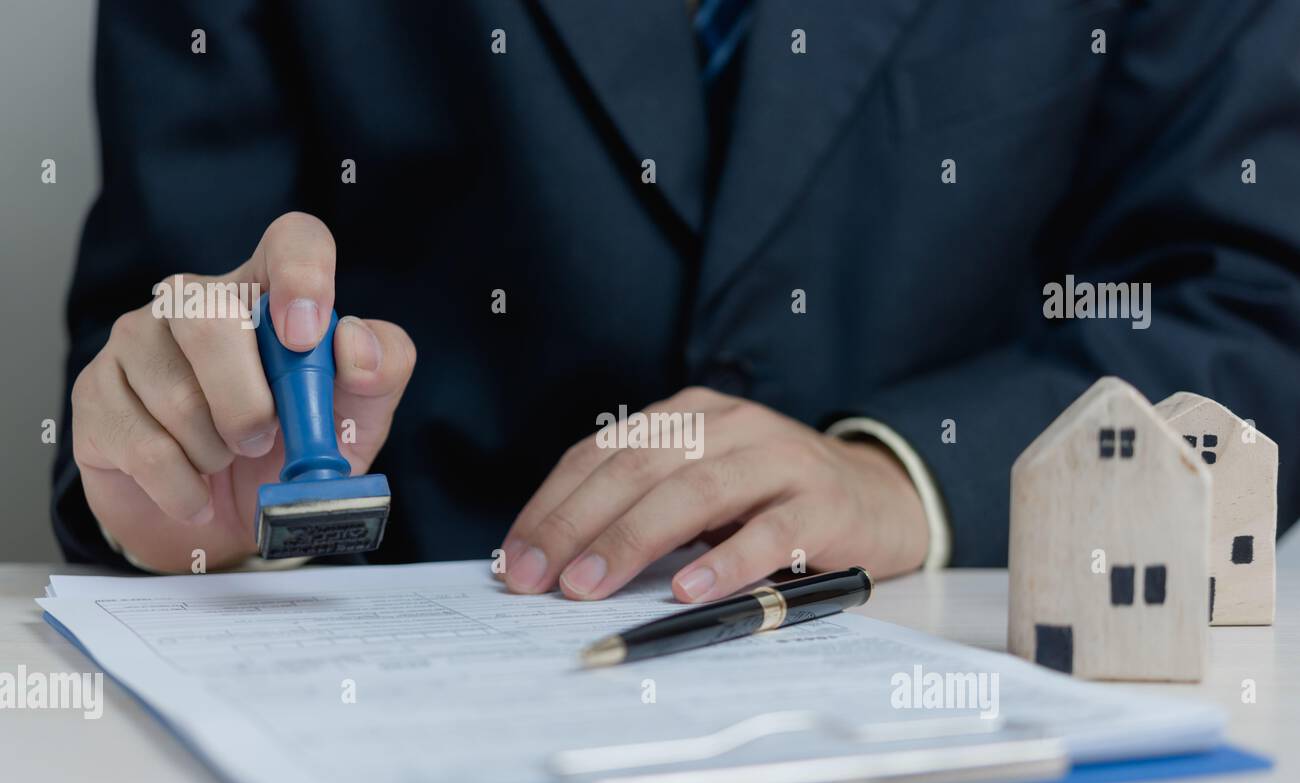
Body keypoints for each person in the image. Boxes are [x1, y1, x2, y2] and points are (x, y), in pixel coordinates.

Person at [54, 0, 1300, 603]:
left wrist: (910, 479)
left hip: (949, 697)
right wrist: (188, 478)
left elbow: (1254, 306)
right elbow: (166, 319)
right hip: (381, 696)